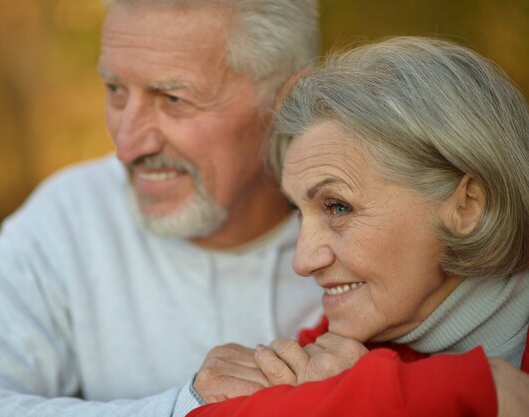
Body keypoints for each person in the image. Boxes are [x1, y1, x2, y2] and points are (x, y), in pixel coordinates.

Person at [0, 1, 324, 416]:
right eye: (116, 91)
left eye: (173, 98)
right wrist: (181, 410)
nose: (126, 146)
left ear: (287, 98)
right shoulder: (71, 218)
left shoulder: (372, 236)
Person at [186, 36, 529, 416]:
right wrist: (400, 395)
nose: (303, 261)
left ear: (466, 207)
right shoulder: (334, 354)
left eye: (337, 207)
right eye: (299, 212)